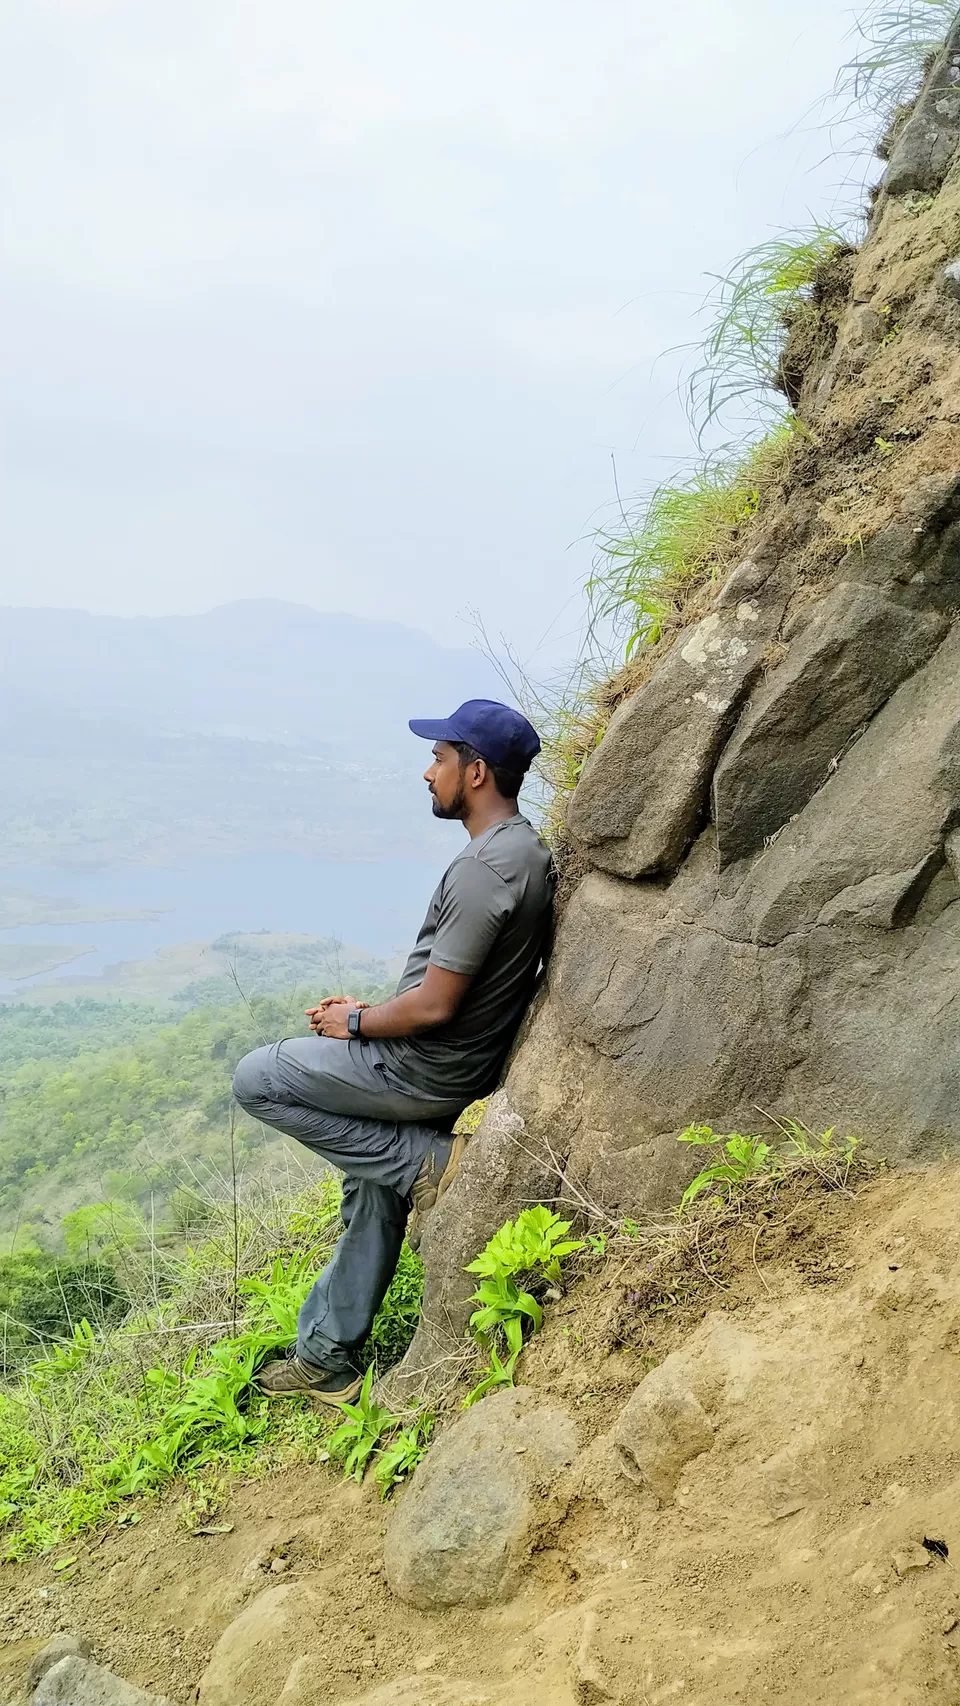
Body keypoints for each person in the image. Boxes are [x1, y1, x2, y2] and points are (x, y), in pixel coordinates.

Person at [232, 698, 555, 1406]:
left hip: (420, 1066)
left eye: (439, 758)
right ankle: (328, 1357)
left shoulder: (485, 870)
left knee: (256, 1078)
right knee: (369, 1180)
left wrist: (356, 1022)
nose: (426, 772)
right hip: (443, 1062)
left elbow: (435, 1005)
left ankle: (427, 1164)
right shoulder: (521, 851)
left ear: (475, 772)